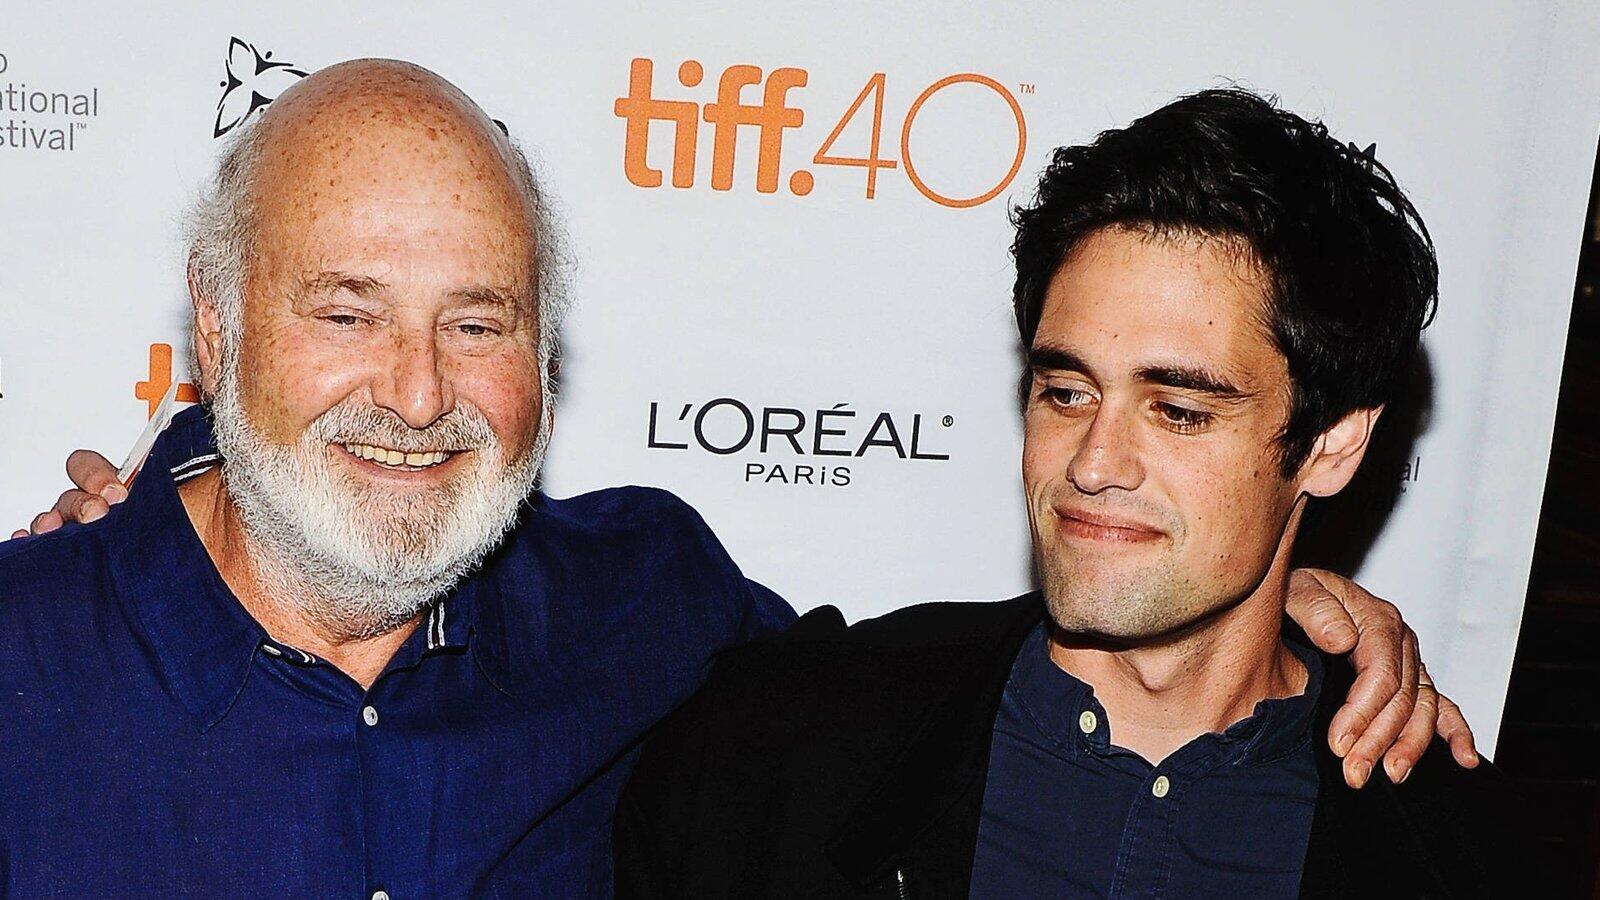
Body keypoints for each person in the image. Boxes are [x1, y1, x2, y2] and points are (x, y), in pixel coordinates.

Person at [9, 63, 1469, 895]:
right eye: (345, 313)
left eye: (480, 324)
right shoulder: (27, 658)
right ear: (216, 329)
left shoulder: (647, 608)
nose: (416, 393)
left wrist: (1303, 601)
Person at [612, 89, 1529, 899]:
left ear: (1331, 446)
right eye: (1066, 391)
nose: (1093, 463)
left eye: (1178, 411)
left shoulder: (1456, 856)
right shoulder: (776, 751)